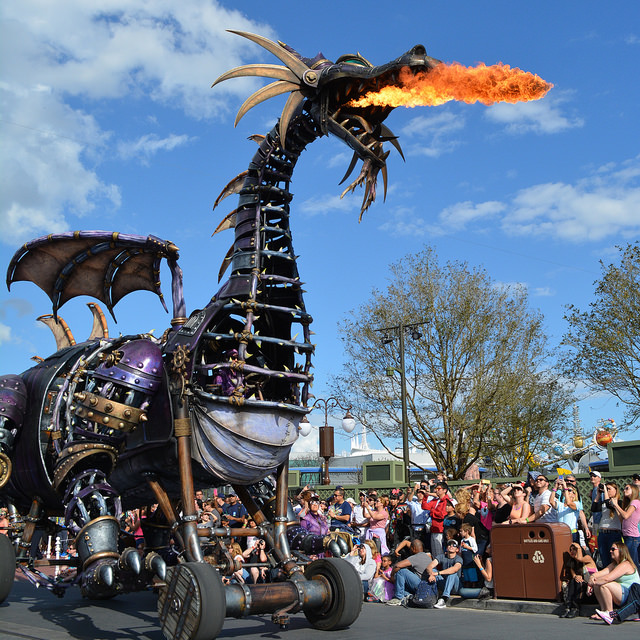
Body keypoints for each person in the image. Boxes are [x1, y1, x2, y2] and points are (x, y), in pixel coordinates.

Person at [588, 541, 640, 619]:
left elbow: (607, 578)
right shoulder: (614, 565)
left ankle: (609, 613)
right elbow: (597, 574)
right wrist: (591, 581)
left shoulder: (626, 564)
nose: (610, 551)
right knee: (597, 585)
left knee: (605, 585)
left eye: (613, 549)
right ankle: (604, 611)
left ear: (621, 550)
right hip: (621, 594)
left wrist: (592, 582)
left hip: (630, 595)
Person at [385, 539, 433, 606]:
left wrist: (392, 575)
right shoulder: (427, 556)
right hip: (426, 587)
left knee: (402, 572)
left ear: (413, 548)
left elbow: (397, 566)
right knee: (398, 587)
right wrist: (397, 550)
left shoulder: (416, 557)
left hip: (421, 585)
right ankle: (409, 596)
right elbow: (406, 542)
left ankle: (398, 598)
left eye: (410, 549)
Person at [549, 476, 591, 545]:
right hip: (561, 533)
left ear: (574, 494)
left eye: (569, 490)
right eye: (565, 490)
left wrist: (565, 486)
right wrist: (555, 487)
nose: (566, 492)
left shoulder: (576, 504)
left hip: (572, 533)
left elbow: (569, 503)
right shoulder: (561, 505)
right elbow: (551, 501)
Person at [559, 542, 597, 618]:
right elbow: (574, 576)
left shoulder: (587, 558)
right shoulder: (573, 563)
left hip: (591, 589)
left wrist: (579, 547)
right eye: (571, 550)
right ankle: (568, 606)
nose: (572, 552)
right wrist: (576, 576)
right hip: (580, 590)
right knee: (574, 581)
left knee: (578, 582)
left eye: (574, 550)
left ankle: (575, 608)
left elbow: (580, 558)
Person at [609, 483, 640, 571]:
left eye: (627, 488)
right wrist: (615, 507)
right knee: (629, 560)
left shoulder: (635, 502)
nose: (624, 490)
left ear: (633, 490)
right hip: (627, 535)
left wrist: (617, 505)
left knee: (633, 562)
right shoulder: (629, 504)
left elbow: (626, 516)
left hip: (632, 537)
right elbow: (622, 519)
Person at [425, 538, 463, 608]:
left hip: (456, 587)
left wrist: (438, 573)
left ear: (457, 549)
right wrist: (431, 574)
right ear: (446, 548)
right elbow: (430, 566)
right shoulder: (441, 556)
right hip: (445, 583)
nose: (451, 546)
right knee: (433, 570)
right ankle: (431, 593)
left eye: (454, 545)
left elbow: (454, 569)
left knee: (452, 573)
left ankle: (444, 598)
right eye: (449, 545)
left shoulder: (458, 558)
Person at [598, 482, 623, 569]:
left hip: (613, 533)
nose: (607, 491)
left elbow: (609, 504)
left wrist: (604, 490)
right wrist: (598, 494)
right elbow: (593, 508)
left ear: (616, 490)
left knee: (615, 559)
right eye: (606, 489)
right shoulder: (603, 502)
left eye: (609, 489)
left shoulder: (619, 502)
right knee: (604, 558)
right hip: (602, 533)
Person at [422, 482, 450, 558]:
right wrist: (425, 496)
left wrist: (432, 512)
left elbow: (442, 515)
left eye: (438, 489)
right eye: (436, 489)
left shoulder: (446, 501)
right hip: (433, 529)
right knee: (434, 553)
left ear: (444, 490)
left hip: (440, 530)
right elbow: (425, 506)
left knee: (440, 553)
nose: (436, 491)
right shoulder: (435, 500)